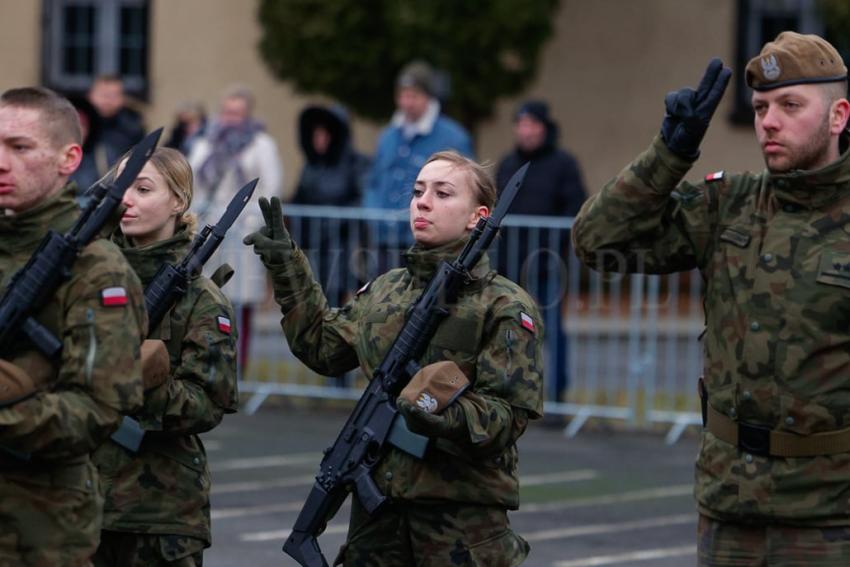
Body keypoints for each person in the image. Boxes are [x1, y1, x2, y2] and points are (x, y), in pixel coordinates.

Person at [571, 32, 850, 564]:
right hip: (729, 508)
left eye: (790, 106)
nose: (769, 120)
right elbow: (597, 241)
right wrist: (669, 154)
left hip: (831, 518)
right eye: (762, 107)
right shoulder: (730, 204)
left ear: (838, 116)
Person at [246, 150, 544, 565]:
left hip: (458, 523)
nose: (422, 202)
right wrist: (287, 267)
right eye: (418, 191)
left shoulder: (504, 306)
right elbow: (323, 347)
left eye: (442, 193)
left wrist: (436, 411)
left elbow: (507, 416)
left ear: (479, 216)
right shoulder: (386, 290)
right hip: (377, 517)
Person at [0, 87, 146, 564]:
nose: (2, 162)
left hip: (37, 529)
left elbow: (100, 406)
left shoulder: (97, 269)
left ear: (69, 159)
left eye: (20, 148)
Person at [91, 147, 239, 566]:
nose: (128, 200)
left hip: (158, 513)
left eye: (143, 188)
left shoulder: (201, 299)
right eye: (123, 187)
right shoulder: (86, 275)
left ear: (178, 201)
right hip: (76, 502)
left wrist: (141, 383)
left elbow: (208, 403)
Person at [188, 84, 283, 376]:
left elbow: (272, 186)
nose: (231, 118)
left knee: (240, 303)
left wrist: (253, 223)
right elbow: (192, 180)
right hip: (211, 230)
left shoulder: (261, 144)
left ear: (247, 114)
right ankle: (206, 360)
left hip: (242, 232)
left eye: (237, 113)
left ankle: (237, 366)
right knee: (208, 297)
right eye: (228, 111)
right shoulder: (207, 142)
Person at [496, 100, 586, 403]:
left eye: (533, 125)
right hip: (510, 263)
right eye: (521, 124)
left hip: (548, 264)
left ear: (545, 128)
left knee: (551, 331)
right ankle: (508, 391)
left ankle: (557, 395)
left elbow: (575, 208)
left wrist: (553, 245)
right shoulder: (508, 164)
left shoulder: (564, 164)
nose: (526, 131)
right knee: (508, 329)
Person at [363, 61, 474, 275]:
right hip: (385, 239)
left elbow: (466, 188)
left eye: (414, 96)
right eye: (403, 95)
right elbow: (373, 182)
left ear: (428, 97)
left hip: (427, 243)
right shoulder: (388, 136)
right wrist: (374, 215)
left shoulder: (453, 137)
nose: (407, 102)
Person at [292, 103, 371, 307]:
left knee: (339, 298)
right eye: (316, 134)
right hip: (314, 246)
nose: (319, 140)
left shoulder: (356, 164)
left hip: (345, 245)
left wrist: (334, 220)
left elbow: (363, 200)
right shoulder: (311, 166)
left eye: (324, 134)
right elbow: (299, 200)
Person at [87, 74, 145, 162]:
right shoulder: (78, 125)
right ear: (90, 95)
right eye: (103, 95)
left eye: (114, 95)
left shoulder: (133, 128)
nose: (108, 100)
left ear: (123, 98)